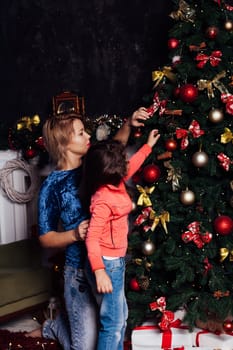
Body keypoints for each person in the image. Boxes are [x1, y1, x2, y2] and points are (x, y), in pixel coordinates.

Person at [27, 107, 152, 350]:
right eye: (81, 133)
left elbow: (114, 149)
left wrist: (130, 122)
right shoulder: (52, 187)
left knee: (114, 323)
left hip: (106, 264)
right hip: (79, 273)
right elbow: (45, 238)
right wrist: (74, 234)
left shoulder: (93, 163)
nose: (88, 137)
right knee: (84, 346)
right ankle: (53, 326)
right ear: (64, 142)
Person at [81, 129, 160, 350]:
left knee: (120, 318)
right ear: (109, 170)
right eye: (122, 162)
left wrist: (148, 146)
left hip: (115, 261)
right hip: (107, 264)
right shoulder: (103, 200)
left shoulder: (115, 181)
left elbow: (131, 166)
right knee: (113, 324)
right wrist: (99, 270)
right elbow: (91, 238)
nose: (126, 164)